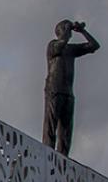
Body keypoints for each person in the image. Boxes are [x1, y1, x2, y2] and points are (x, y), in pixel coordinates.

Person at [43, 19, 100, 157]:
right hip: (54, 90)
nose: (69, 33)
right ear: (60, 31)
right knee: (51, 127)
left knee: (66, 131)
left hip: (68, 93)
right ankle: (47, 155)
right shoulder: (53, 45)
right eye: (66, 29)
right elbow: (59, 46)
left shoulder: (71, 49)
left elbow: (94, 45)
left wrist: (82, 31)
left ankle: (62, 159)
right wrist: (67, 30)